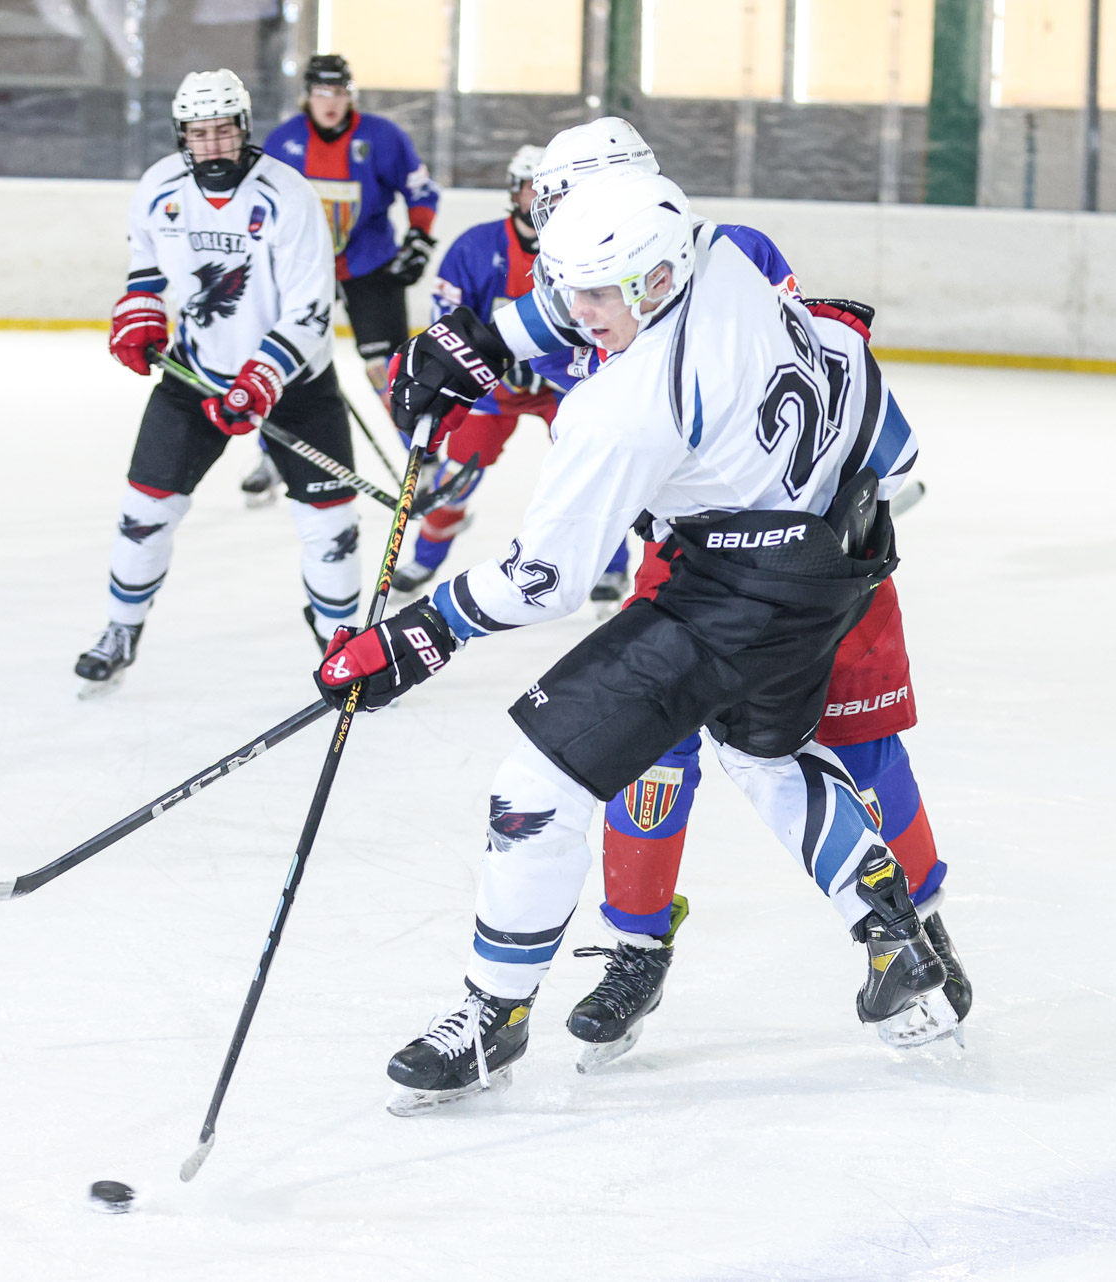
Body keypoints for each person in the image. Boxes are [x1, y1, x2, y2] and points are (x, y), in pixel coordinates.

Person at [317, 169, 958, 1113]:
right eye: (565, 287)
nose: (576, 314)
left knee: (535, 785)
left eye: (596, 295)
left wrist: (420, 632)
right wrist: (486, 341)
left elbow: (544, 581)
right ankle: (888, 926)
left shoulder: (625, 408)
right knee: (767, 756)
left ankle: (493, 1016)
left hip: (729, 595)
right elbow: (889, 441)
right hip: (830, 570)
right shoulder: (727, 256)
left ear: (655, 280)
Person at [488, 118, 966, 1067]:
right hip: (691, 563)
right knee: (645, 753)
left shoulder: (722, 258)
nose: (551, 225)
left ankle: (918, 934)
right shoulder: (596, 274)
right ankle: (636, 948)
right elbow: (548, 348)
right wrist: (465, 353)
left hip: (814, 553)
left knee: (857, 746)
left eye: (565, 201)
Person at [76, 69, 359, 689]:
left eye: (223, 131)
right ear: (182, 135)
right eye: (198, 134)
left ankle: (341, 644)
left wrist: (260, 379)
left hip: (294, 384)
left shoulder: (288, 196)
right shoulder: (160, 187)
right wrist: (140, 310)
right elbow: (146, 264)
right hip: (196, 377)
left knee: (331, 525)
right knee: (145, 511)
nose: (211, 145)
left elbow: (311, 309)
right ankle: (121, 628)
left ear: (244, 128)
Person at [390, 143, 630, 604]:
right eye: (531, 190)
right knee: (456, 479)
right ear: (513, 190)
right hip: (490, 389)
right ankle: (425, 558)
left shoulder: (593, 248)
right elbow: (449, 321)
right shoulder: (476, 246)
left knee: (594, 478)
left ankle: (613, 568)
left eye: (555, 194)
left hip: (565, 386)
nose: (541, 202)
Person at [243, 53, 439, 501]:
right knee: (285, 358)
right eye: (321, 92)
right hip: (304, 267)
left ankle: (422, 460)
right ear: (306, 96)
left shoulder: (381, 137)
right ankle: (273, 454)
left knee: (386, 369)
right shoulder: (284, 141)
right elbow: (259, 204)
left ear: (351, 95)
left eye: (339, 91)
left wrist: (419, 239)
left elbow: (421, 189)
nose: (330, 102)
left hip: (370, 264)